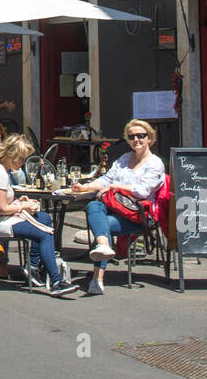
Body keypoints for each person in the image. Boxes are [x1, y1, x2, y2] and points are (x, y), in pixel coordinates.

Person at [71, 119, 166, 295]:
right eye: (132, 136)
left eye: (141, 136)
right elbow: (106, 179)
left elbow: (143, 191)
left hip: (138, 215)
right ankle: (104, 246)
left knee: (102, 224)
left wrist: (116, 187)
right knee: (94, 205)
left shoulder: (155, 163)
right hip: (116, 209)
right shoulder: (124, 159)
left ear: (149, 138)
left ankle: (97, 277)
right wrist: (86, 187)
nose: (136, 139)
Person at [0, 133, 78, 296]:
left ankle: (33, 266)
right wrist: (23, 206)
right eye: (21, 158)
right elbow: (0, 209)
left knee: (45, 218)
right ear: (12, 156)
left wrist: (19, 202)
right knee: (44, 234)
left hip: (4, 218)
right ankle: (56, 281)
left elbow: (2, 203)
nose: (22, 163)